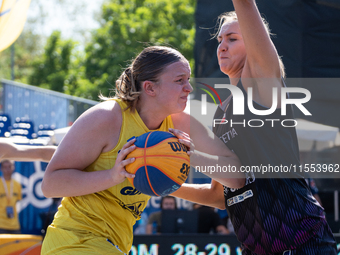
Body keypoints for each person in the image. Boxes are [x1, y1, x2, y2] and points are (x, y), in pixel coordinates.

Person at [40, 46, 245, 255]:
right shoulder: (106, 118)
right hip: (74, 240)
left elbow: (232, 182)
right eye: (179, 80)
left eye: (188, 80)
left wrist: (183, 162)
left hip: (115, 244)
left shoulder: (180, 123)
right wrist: (112, 176)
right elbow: (50, 184)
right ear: (150, 88)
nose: (189, 88)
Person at [173, 1, 337, 254]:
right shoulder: (222, 113)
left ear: (253, 42)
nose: (222, 46)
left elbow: (246, 6)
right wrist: (165, 184)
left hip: (303, 243)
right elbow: (221, 194)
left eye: (232, 38)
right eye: (219, 40)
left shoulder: (262, 87)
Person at [0, 159, 22, 234]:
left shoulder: (17, 184)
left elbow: (18, 202)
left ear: (13, 167)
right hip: (1, 224)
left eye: (9, 166)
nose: (7, 169)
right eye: (5, 167)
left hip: (14, 225)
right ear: (1, 169)